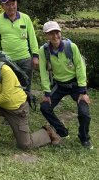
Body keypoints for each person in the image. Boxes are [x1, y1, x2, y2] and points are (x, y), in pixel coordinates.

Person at [0, 45, 60, 149]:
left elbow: (5, 97)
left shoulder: (5, 70)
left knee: (25, 145)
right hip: (0, 106)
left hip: (17, 109)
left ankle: (47, 131)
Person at [39, 21, 92, 149]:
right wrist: (47, 93)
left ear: (60, 33)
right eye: (51, 33)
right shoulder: (44, 50)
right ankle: (62, 131)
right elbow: (43, 72)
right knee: (45, 107)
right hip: (59, 85)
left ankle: (84, 137)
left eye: (57, 32)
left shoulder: (71, 47)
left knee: (84, 113)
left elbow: (80, 68)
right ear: (46, 35)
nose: (55, 36)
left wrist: (83, 92)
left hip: (76, 85)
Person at [0, 0, 39, 86]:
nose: (11, 7)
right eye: (7, 4)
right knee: (10, 86)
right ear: (2, 6)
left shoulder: (25, 18)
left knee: (26, 85)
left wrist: (35, 56)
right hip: (6, 60)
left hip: (25, 59)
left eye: (13, 4)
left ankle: (27, 100)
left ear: (16, 4)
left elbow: (32, 37)